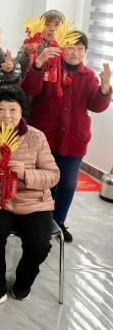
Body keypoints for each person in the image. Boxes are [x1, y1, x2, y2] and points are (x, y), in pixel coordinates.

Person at [0, 86, 60, 314]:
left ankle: (24, 280)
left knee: (40, 244)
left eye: (13, 109)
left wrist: (25, 174)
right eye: (0, 109)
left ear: (22, 112)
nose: (7, 115)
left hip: (34, 201)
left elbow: (53, 175)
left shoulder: (36, 136)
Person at [21, 31, 111, 242]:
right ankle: (37, 219)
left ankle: (58, 221)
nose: (75, 53)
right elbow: (30, 89)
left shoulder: (88, 76)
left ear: (85, 52)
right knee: (42, 182)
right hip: (44, 138)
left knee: (68, 184)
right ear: (62, 48)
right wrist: (38, 64)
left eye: (80, 49)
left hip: (73, 140)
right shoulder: (49, 67)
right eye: (71, 47)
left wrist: (105, 87)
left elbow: (96, 106)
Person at [16, 9, 65, 78]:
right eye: (47, 24)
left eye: (57, 25)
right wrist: (26, 54)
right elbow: (17, 67)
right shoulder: (31, 42)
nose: (52, 28)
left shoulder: (68, 47)